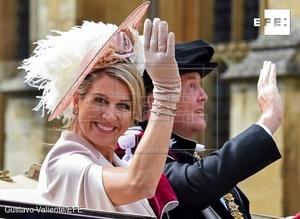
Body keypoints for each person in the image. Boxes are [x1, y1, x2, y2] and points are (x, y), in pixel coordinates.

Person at [20, 2, 180, 217]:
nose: (110, 116)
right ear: (76, 101)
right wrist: (167, 95)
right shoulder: (65, 163)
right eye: (100, 101)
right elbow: (138, 183)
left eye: (123, 105)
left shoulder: (115, 164)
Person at [116, 40, 283, 219]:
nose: (203, 96)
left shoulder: (187, 156)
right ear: (155, 101)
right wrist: (268, 121)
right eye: (192, 86)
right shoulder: (138, 155)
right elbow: (197, 183)